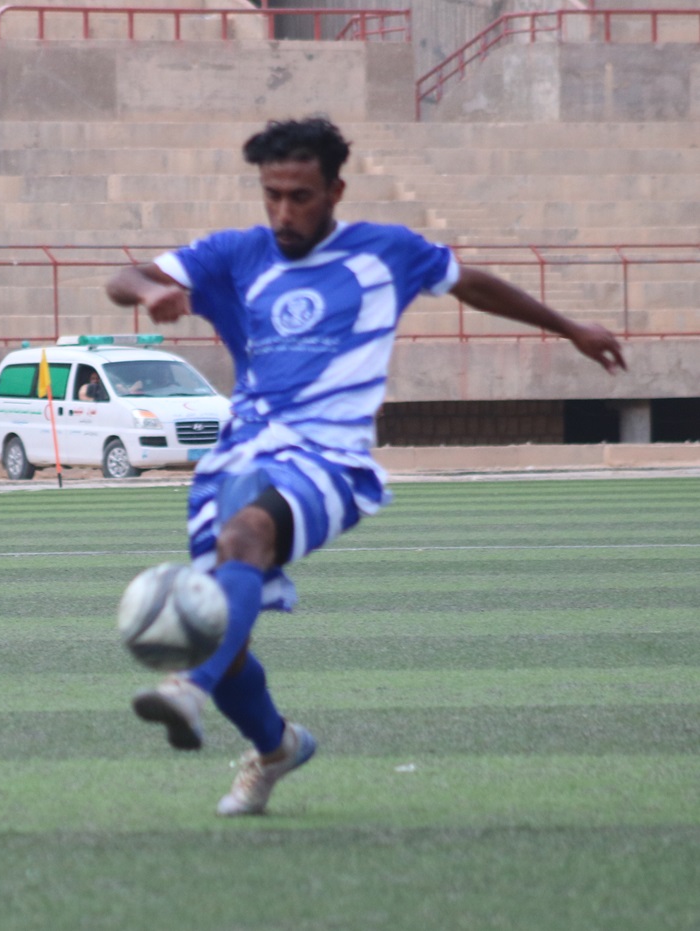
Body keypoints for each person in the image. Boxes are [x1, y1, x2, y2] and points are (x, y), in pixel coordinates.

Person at [105, 117, 625, 817]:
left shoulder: (388, 252)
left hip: (329, 456)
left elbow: (472, 283)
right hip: (236, 455)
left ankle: (185, 688)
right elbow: (124, 275)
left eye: (301, 196)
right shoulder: (236, 254)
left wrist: (571, 328)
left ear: (335, 190)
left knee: (245, 543)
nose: (284, 212)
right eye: (272, 195)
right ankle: (275, 746)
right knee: (223, 626)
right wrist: (148, 295)